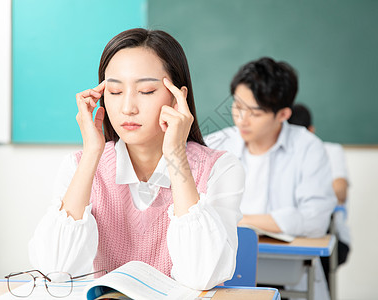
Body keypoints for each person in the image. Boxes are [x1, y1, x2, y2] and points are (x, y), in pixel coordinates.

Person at [28, 28, 244, 290]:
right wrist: (92, 154)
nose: (128, 107)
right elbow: (53, 271)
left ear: (178, 98)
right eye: (116, 92)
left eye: (147, 90)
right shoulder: (78, 165)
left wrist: (176, 154)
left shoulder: (219, 168)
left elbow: (202, 276)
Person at [205, 57, 336, 299]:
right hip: (224, 274)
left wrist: (236, 221)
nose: (241, 119)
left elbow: (315, 220)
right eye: (237, 106)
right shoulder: (215, 144)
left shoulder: (308, 148)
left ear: (283, 114)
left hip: (290, 274)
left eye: (254, 112)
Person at [288, 103, 351, 284]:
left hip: (330, 235)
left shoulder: (330, 151)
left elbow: (340, 192)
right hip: (287, 233)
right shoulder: (280, 155)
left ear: (312, 131)